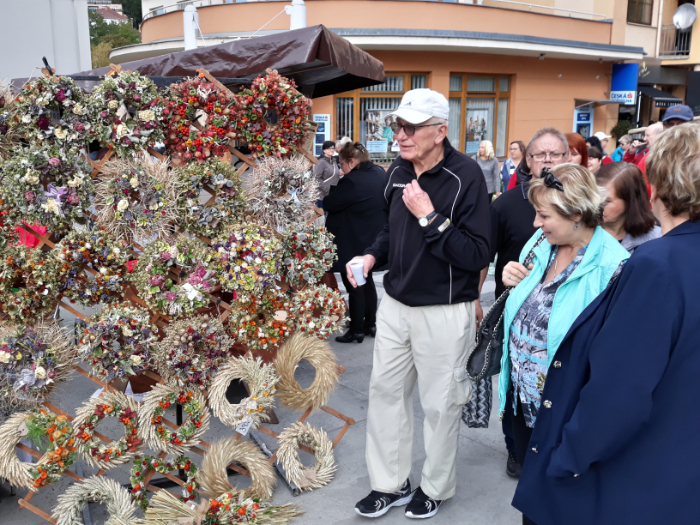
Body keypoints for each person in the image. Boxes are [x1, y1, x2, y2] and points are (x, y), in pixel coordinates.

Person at [511, 117, 700, 525]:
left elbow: (621, 389)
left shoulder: (656, 265)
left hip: (641, 476)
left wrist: (568, 458)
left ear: (656, 186)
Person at [348, 88, 490, 520]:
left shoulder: (467, 176)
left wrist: (430, 216)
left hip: (444, 311)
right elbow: (391, 231)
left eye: (411, 127)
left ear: (440, 131)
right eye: (398, 126)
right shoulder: (396, 171)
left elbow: (477, 253)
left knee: (440, 404)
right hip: (395, 304)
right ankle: (390, 484)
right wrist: (371, 256)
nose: (401, 135)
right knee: (385, 395)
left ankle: (434, 487)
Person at [499, 163, 629, 525]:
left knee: (561, 504)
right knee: (533, 498)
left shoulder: (614, 268)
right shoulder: (542, 243)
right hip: (524, 402)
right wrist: (511, 278)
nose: (536, 223)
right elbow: (527, 300)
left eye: (544, 215)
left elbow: (613, 360)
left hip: (566, 412)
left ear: (576, 213)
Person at [479, 127, 570, 478]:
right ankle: (515, 449)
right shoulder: (505, 204)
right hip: (515, 310)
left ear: (567, 158)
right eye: (539, 154)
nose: (547, 160)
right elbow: (486, 255)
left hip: (562, 317)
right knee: (514, 382)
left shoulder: (584, 207)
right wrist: (476, 297)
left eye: (554, 154)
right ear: (527, 160)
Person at [323, 142, 388, 343]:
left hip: (352, 239)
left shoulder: (351, 181)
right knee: (367, 282)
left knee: (354, 285)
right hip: (372, 238)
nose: (340, 168)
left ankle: (356, 329)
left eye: (341, 163)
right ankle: (370, 323)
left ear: (351, 162)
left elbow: (330, 203)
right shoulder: (380, 173)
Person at [595, 163, 661, 253]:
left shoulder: (655, 240)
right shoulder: (581, 233)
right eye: (595, 197)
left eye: (607, 201)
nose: (598, 205)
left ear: (630, 200)